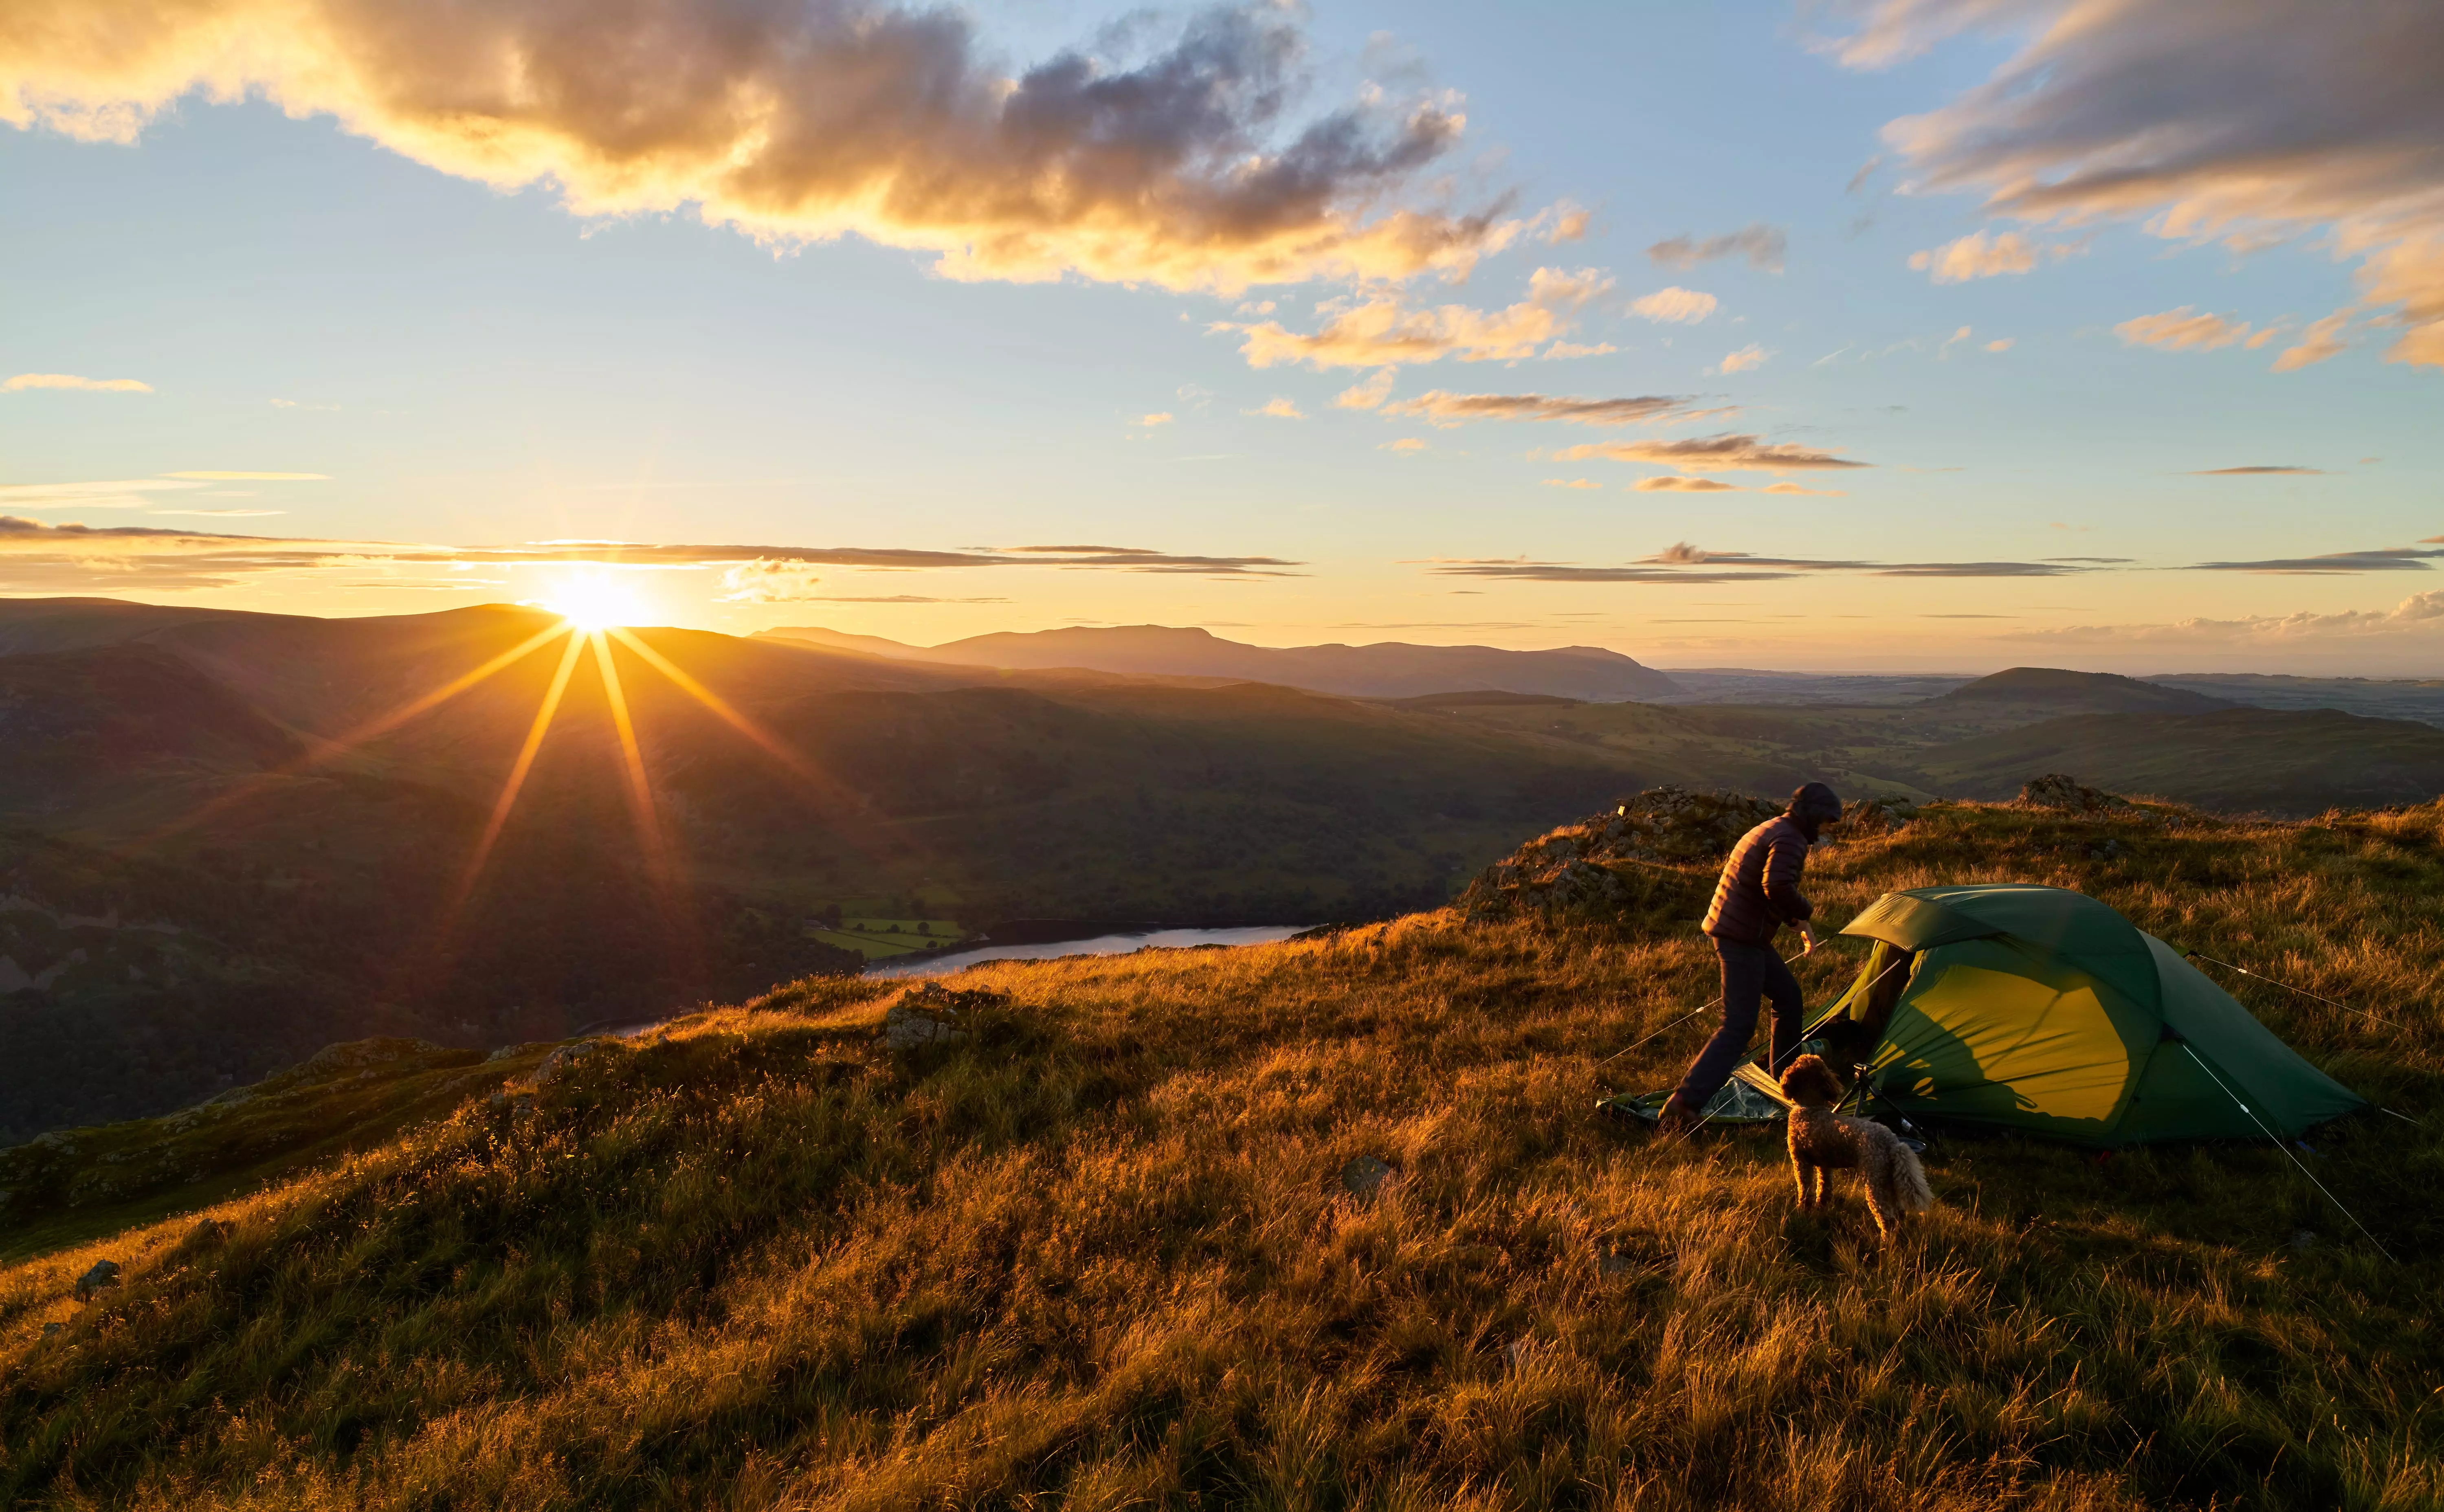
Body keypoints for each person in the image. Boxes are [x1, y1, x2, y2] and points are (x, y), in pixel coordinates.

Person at [1656, 781, 1843, 1135]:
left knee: (1789, 998)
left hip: (1741, 932)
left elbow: (1767, 887)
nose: (1825, 830)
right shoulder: (1789, 838)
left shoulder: (1775, 828)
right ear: (1815, 816)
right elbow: (1777, 886)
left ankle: (1785, 1082)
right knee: (1738, 1025)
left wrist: (1794, 922)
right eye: (1826, 822)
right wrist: (1806, 912)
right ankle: (1684, 1105)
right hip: (1741, 937)